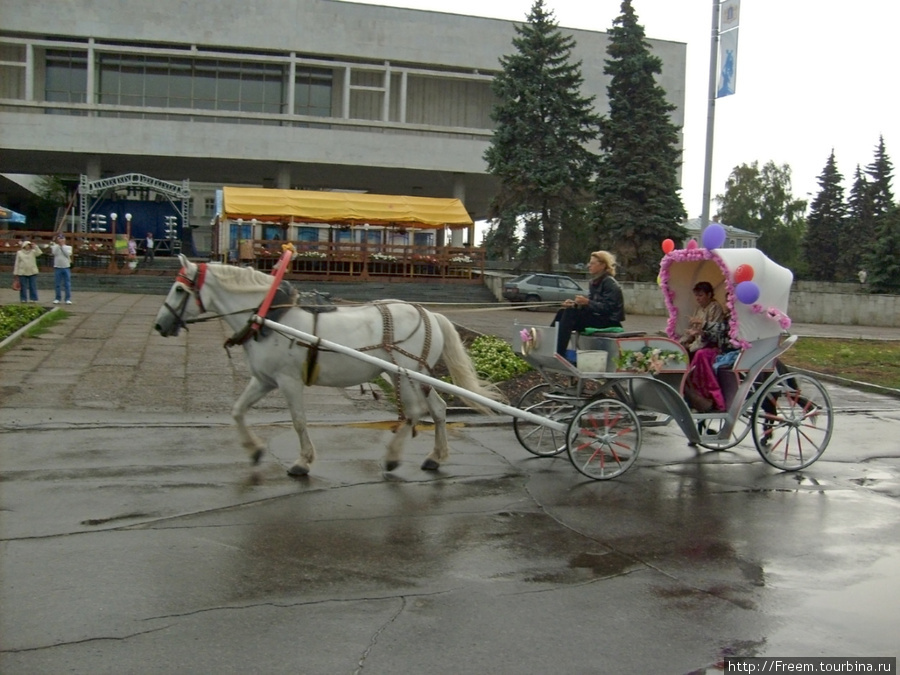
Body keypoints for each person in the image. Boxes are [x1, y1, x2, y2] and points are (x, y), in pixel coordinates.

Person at [551, 250, 625, 357]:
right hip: (597, 318)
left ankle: (559, 352)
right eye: (589, 263)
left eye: (592, 263)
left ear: (603, 265)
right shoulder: (595, 282)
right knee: (563, 312)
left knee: (570, 314)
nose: (589, 266)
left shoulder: (610, 283)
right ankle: (550, 345)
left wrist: (587, 302)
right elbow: (591, 306)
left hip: (609, 321)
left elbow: (608, 308)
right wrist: (575, 304)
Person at [681, 281, 729, 411]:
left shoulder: (715, 308)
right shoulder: (698, 309)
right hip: (698, 341)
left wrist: (699, 333)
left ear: (709, 295)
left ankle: (701, 395)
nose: (698, 298)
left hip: (711, 344)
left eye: (700, 295)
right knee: (681, 351)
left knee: (698, 354)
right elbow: (692, 330)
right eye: (696, 296)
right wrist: (684, 341)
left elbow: (714, 333)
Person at [49, 233, 73, 304]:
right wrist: (58, 246)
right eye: (60, 238)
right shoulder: (55, 247)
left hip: (66, 267)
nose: (61, 240)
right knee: (57, 284)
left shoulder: (68, 247)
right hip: (57, 267)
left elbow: (67, 254)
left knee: (67, 284)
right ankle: (57, 298)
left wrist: (62, 246)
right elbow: (54, 253)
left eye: (62, 238)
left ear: (65, 240)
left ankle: (67, 299)